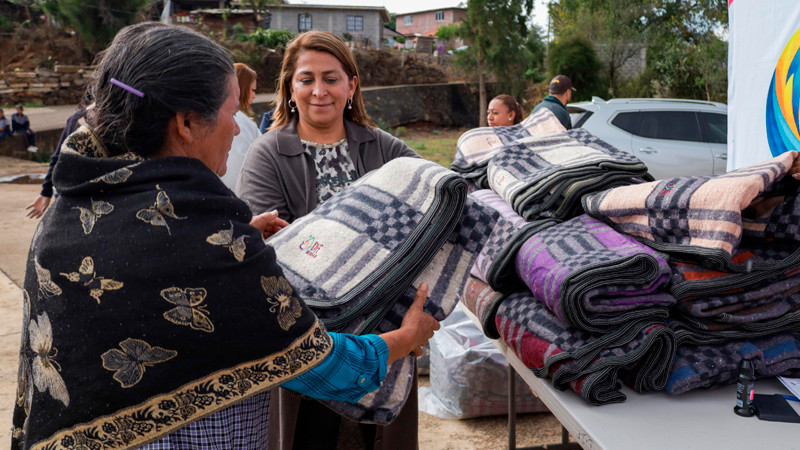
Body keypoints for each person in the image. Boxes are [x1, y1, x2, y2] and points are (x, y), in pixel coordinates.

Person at [11, 22, 439, 450]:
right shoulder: (206, 230)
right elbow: (323, 365)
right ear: (186, 122)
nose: (237, 130)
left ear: (351, 86)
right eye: (232, 113)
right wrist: (408, 336)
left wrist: (236, 249)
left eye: (331, 79)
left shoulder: (74, 207)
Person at [236, 30, 422, 449]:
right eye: (306, 79)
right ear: (289, 88)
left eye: (332, 78)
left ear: (352, 85)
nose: (319, 91)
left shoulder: (384, 149)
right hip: (308, 338)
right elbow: (274, 256)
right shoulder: (267, 154)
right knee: (310, 436)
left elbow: (434, 202)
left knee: (376, 439)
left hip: (382, 335)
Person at [25, 106, 87, 219]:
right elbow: (59, 157)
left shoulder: (118, 120)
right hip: (71, 192)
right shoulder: (75, 120)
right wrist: (46, 191)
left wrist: (46, 192)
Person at [220, 63, 261, 190]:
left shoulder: (214, 118)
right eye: (253, 90)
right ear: (242, 89)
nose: (254, 96)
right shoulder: (245, 125)